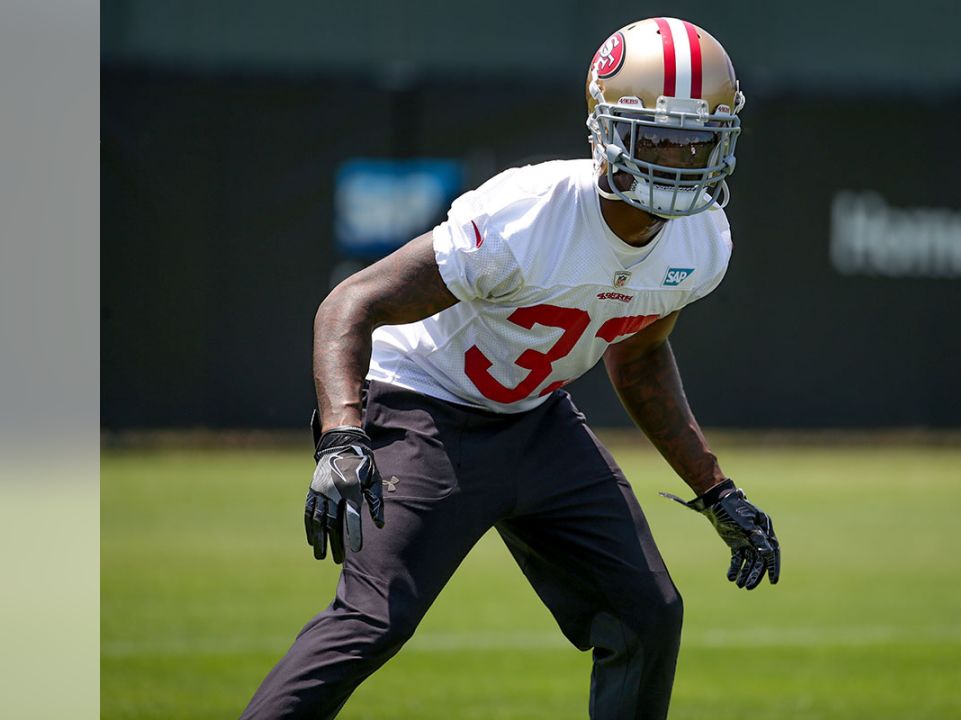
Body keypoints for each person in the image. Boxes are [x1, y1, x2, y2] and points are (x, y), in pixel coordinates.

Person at [241, 17, 780, 720]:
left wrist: (715, 489)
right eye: (661, 139)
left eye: (698, 141)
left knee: (647, 613)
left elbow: (640, 357)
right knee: (374, 620)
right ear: (609, 133)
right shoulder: (526, 215)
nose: (681, 160)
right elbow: (352, 302)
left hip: (536, 420)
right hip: (421, 406)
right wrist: (343, 434)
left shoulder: (702, 240)